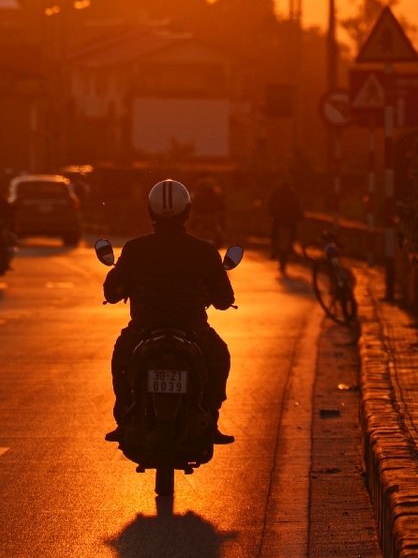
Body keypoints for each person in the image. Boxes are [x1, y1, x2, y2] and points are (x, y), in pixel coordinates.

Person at [102, 178, 235, 445]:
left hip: (144, 329)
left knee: (121, 360)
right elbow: (224, 298)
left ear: (150, 212)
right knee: (219, 357)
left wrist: (119, 289)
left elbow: (111, 289)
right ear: (187, 211)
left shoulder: (136, 249)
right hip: (193, 330)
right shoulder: (203, 251)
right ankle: (210, 415)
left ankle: (125, 416)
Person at [267, 177, 303, 269]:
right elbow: (298, 207)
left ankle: (275, 250)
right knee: (292, 235)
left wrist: (272, 214)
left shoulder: (277, 193)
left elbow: (271, 205)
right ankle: (289, 247)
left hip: (279, 220)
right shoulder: (292, 194)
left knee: (275, 235)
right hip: (288, 220)